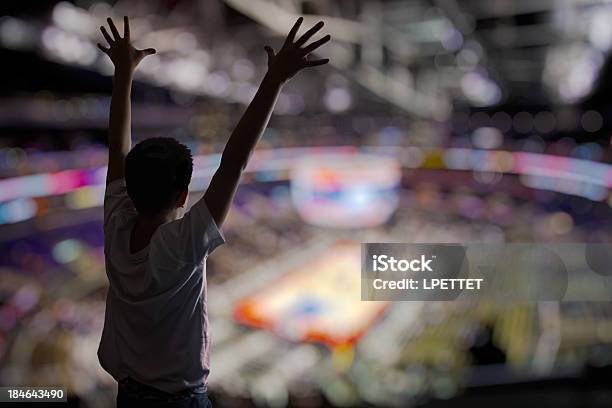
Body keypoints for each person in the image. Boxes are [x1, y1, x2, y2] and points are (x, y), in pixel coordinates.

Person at [96, 15, 330, 407]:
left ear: (130, 190)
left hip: (129, 395)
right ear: (184, 195)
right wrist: (275, 79)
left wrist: (122, 74)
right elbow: (234, 160)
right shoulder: (181, 244)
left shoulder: (117, 221)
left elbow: (119, 154)